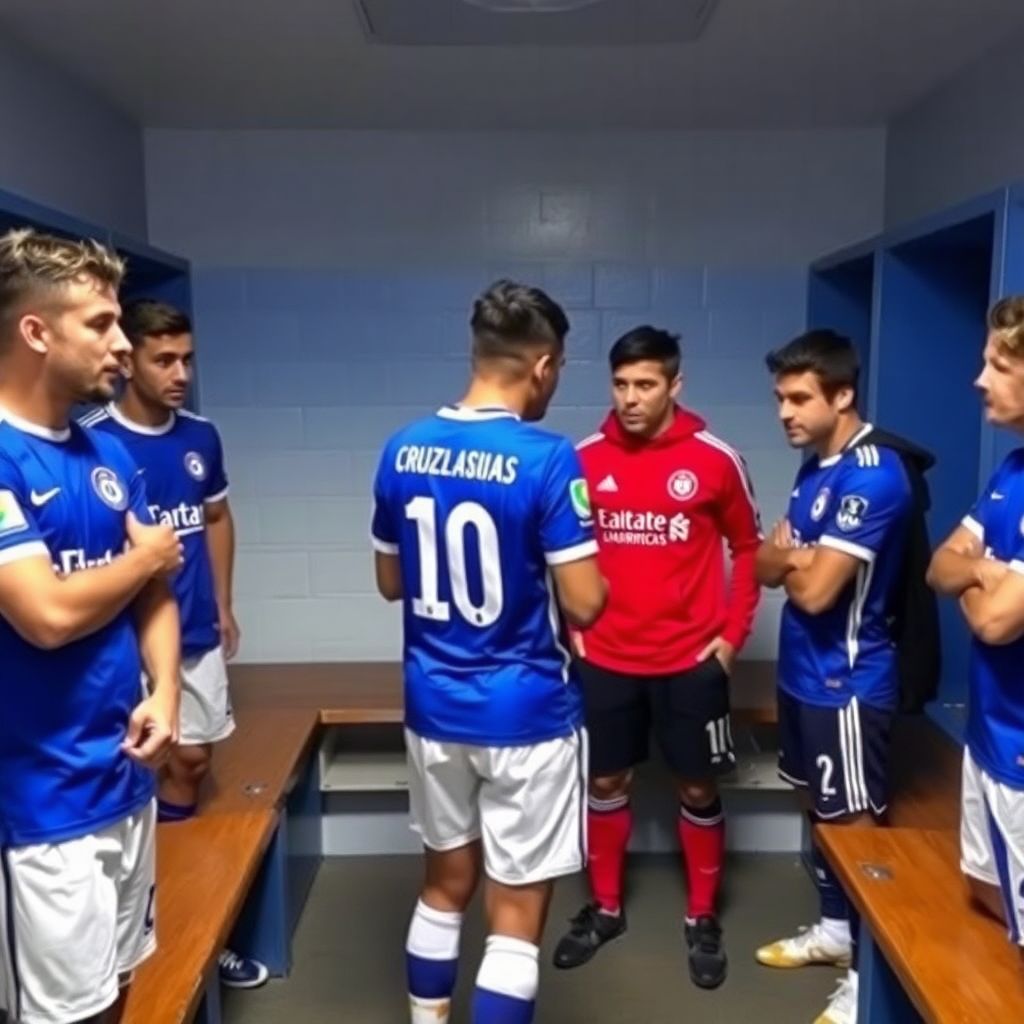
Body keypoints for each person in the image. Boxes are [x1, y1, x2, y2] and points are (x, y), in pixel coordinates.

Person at [371, 280, 607, 1024]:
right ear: (542, 365)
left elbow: (390, 582)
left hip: (433, 706)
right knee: (514, 913)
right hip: (526, 714)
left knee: (444, 884)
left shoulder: (402, 446)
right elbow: (585, 603)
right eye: (560, 369)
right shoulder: (548, 457)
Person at [0, 228, 183, 1024]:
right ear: (36, 332)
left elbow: (157, 598)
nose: (122, 344)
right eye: (100, 325)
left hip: (122, 773)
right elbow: (45, 615)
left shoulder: (105, 450)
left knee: (117, 992)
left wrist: (169, 691)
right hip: (40, 805)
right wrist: (147, 560)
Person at [552, 326, 761, 989]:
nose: (631, 398)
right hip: (606, 659)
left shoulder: (715, 458)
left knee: (697, 787)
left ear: (675, 384)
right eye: (620, 384)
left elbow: (749, 549)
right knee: (606, 784)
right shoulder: (581, 457)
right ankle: (607, 908)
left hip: (689, 664)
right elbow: (558, 551)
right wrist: (572, 630)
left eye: (645, 385)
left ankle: (702, 916)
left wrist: (730, 642)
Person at [81, 299, 265, 989]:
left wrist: (222, 601)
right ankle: (154, 936)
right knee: (130, 785)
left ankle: (187, 905)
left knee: (191, 758)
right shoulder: (94, 440)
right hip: (118, 647)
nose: (181, 373)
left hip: (191, 631)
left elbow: (216, 517)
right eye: (164, 360)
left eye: (187, 359)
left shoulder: (201, 436)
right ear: (132, 361)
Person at [755, 329, 915, 1024]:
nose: (784, 413)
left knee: (855, 828)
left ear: (842, 395)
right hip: (799, 674)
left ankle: (864, 981)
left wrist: (795, 561)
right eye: (779, 399)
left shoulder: (874, 472)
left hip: (847, 685)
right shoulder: (817, 465)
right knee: (818, 814)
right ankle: (833, 932)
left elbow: (817, 593)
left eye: (798, 398)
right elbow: (762, 564)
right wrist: (795, 560)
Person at [927, 296, 1024, 962]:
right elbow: (938, 566)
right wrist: (987, 574)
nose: (978, 379)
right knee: (984, 894)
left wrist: (979, 574)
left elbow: (993, 621)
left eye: (998, 364)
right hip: (989, 733)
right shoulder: (1013, 469)